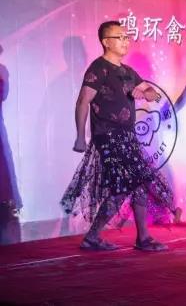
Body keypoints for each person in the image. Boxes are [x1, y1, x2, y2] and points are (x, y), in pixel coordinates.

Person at [61, 21, 175, 252]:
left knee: (138, 183)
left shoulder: (128, 72)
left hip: (128, 137)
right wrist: (80, 136)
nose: (125, 41)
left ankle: (142, 238)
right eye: (119, 37)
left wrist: (146, 92)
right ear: (106, 42)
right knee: (122, 187)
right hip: (108, 136)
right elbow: (83, 101)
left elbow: (154, 94)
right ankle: (94, 237)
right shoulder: (98, 68)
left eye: (126, 36)